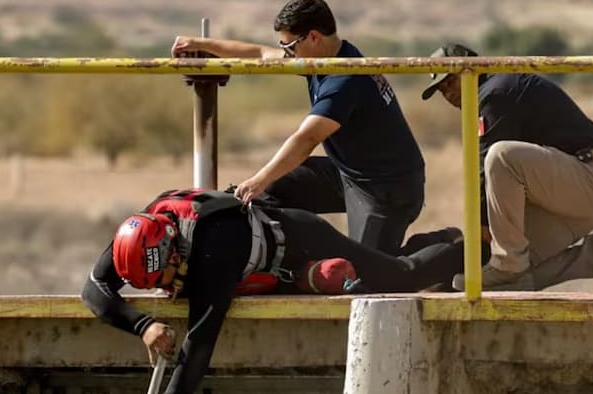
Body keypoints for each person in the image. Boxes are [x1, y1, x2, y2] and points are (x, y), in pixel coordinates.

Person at [81, 189, 463, 394]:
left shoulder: (213, 249)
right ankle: (432, 246)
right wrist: (143, 325)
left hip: (298, 242)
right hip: (261, 272)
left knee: (397, 280)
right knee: (386, 270)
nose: (163, 289)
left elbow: (202, 336)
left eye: (163, 279)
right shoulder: (138, 237)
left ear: (175, 251)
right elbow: (94, 292)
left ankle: (466, 249)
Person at [171, 0, 426, 255]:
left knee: (366, 277)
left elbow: (307, 138)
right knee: (273, 189)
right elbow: (260, 54)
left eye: (290, 46)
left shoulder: (345, 80)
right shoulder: (327, 58)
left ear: (313, 37)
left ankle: (447, 248)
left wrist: (259, 179)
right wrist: (201, 45)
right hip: (350, 173)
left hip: (388, 189)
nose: (287, 54)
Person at [421, 43, 593, 293]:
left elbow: (486, 163)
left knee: (500, 157)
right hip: (568, 193)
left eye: (450, 81)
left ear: (470, 68)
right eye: (441, 90)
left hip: (586, 177)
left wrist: (481, 223)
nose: (447, 93)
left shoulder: (494, 91)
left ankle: (507, 263)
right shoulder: (494, 91)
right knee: (517, 279)